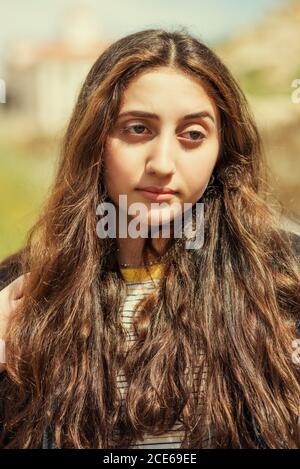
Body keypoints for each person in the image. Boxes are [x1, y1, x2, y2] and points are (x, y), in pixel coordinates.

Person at [0, 28, 300, 449]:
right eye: (137, 128)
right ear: (96, 141)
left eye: (193, 135)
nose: (162, 163)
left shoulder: (285, 281)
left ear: (222, 150)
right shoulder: (21, 292)